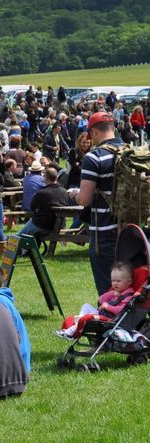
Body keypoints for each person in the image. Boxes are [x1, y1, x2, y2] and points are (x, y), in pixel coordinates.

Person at [76, 111, 122, 294]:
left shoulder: (94, 157)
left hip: (104, 234)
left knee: (109, 292)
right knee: (132, 288)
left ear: (94, 132)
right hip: (133, 230)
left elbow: (84, 199)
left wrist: (74, 195)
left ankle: (112, 321)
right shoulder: (133, 152)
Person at [56, 262, 135, 339]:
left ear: (129, 282)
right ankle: (80, 318)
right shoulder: (116, 292)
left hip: (111, 319)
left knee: (86, 318)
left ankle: (68, 333)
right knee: (86, 305)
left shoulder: (128, 296)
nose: (115, 283)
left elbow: (121, 310)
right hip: (102, 314)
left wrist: (108, 307)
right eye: (113, 281)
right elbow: (101, 300)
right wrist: (112, 294)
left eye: (118, 281)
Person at [18, 167, 70, 240]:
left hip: (43, 225)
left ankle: (6, 242)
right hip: (60, 225)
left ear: (45, 178)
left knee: (20, 235)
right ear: (57, 177)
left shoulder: (42, 193)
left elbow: (32, 208)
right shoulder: (64, 192)